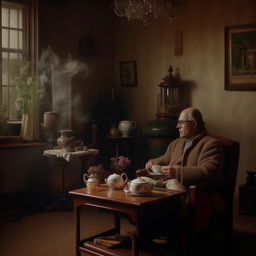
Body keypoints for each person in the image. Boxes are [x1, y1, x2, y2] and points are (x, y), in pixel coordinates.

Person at [143, 107, 224, 188]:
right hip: (164, 182)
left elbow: (208, 171)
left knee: (172, 186)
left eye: (181, 123)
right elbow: (164, 159)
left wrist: (176, 172)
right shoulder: (176, 142)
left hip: (184, 186)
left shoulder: (211, 144)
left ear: (194, 124)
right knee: (138, 182)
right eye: (178, 123)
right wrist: (153, 163)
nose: (177, 126)